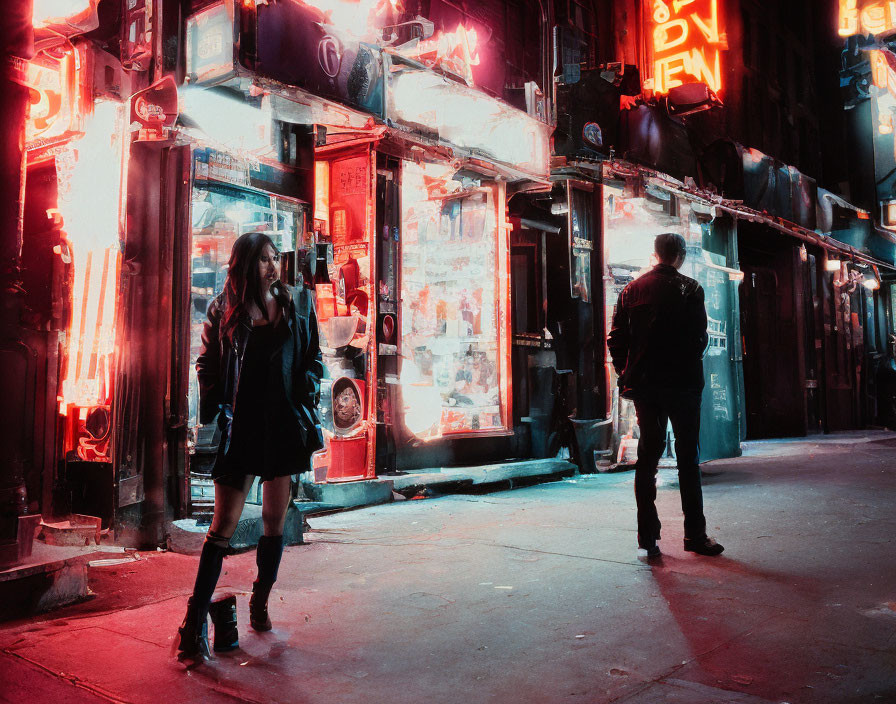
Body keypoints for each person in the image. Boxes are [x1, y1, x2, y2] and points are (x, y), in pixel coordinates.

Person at [175, 232, 324, 661]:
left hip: (283, 428)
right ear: (244, 265)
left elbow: (314, 357)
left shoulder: (298, 304)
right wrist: (217, 409)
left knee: (274, 524)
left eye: (274, 258)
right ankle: (194, 623)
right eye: (263, 260)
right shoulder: (223, 310)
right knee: (221, 528)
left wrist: (306, 389)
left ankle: (259, 600)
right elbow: (207, 363)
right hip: (241, 431)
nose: (272, 267)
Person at [607, 232, 723, 559]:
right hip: (683, 384)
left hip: (645, 386)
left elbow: (615, 340)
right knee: (688, 458)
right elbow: (700, 339)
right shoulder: (690, 288)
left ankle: (648, 537)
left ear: (656, 254)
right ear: (681, 255)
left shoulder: (631, 290)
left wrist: (626, 371)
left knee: (648, 457)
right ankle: (695, 536)